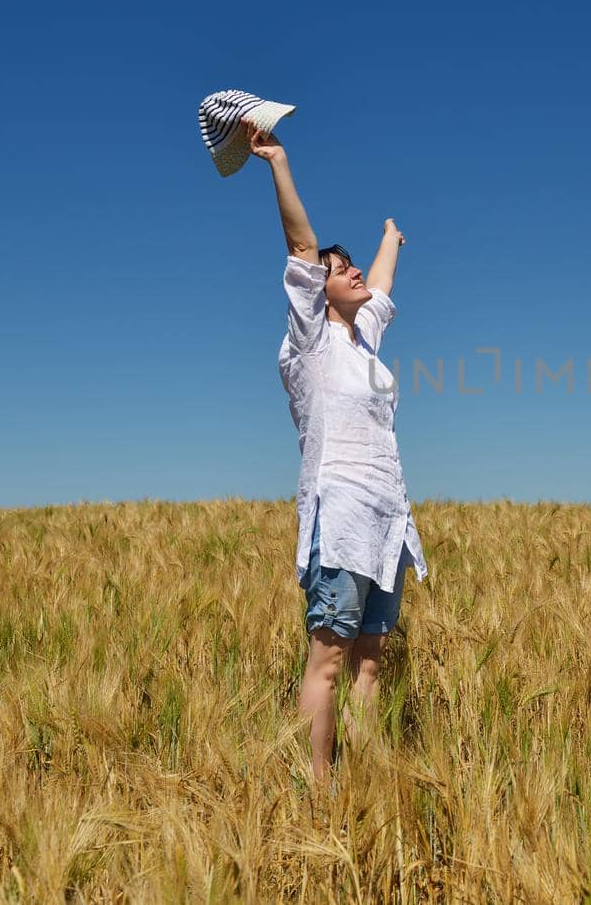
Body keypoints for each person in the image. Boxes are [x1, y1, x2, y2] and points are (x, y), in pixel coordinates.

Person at [242, 118, 429, 782]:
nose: (348, 272)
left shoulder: (365, 343)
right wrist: (277, 162)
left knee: (371, 658)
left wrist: (388, 239)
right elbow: (302, 243)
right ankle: (318, 786)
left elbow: (379, 289)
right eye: (337, 270)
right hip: (342, 512)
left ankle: (364, 770)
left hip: (386, 518)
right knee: (328, 655)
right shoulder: (308, 343)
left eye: (350, 267)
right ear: (314, 295)